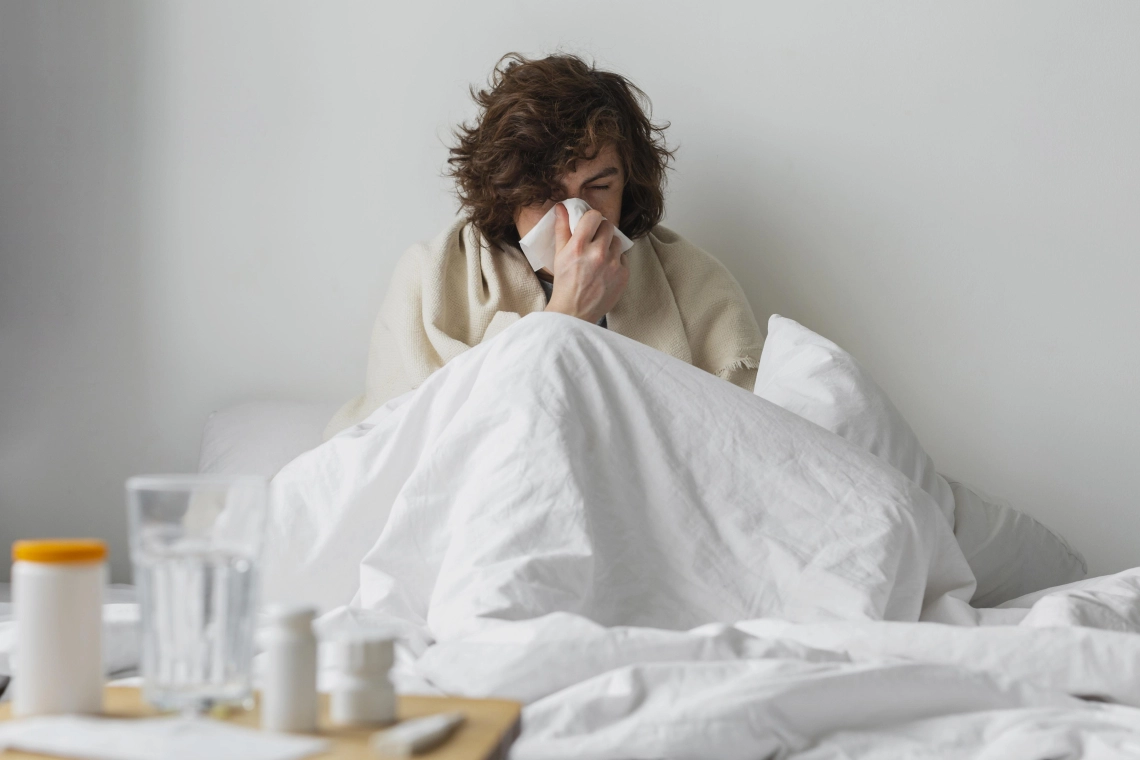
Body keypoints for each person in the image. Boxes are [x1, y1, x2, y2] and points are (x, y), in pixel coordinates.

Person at [326, 53, 764, 437]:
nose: (576, 214)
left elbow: (738, 442)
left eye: (599, 186)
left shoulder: (696, 284)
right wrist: (568, 313)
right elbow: (402, 447)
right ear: (506, 193)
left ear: (627, 185)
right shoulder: (429, 280)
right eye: (545, 195)